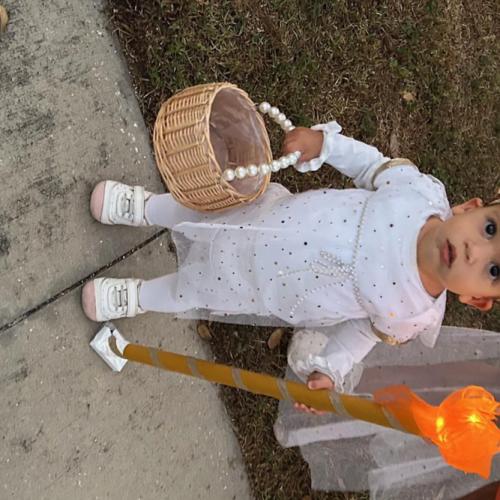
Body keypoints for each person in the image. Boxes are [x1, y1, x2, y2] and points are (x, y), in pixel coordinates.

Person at [81, 120, 500, 400]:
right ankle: (146, 208)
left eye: (494, 270)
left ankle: (138, 296)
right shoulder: (418, 193)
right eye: (490, 229)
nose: (474, 252)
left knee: (194, 291)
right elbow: (370, 165)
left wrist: (332, 369)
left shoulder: (413, 314)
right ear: (470, 208)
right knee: (209, 212)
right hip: (275, 219)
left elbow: (363, 333)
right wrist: (326, 145)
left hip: (274, 287)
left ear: (477, 299)